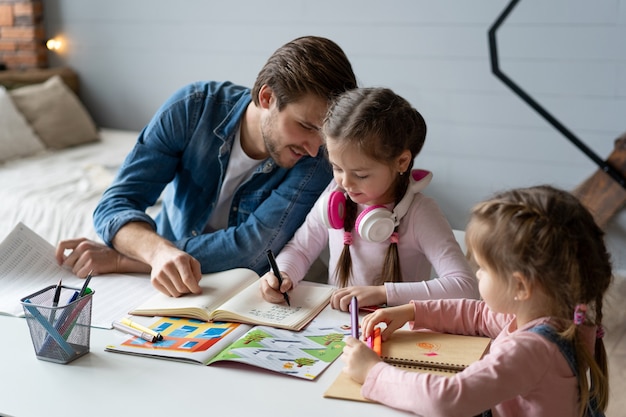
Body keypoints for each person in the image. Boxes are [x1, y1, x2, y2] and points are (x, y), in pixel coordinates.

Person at [55, 36, 358, 297]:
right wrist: (158, 253)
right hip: (167, 280)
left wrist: (127, 258)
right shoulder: (192, 108)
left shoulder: (319, 159)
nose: (314, 147)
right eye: (305, 126)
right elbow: (116, 204)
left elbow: (252, 251)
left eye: (324, 133)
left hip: (252, 290)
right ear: (267, 97)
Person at [342, 185, 612, 417]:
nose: (477, 274)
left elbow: (446, 399)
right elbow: (479, 315)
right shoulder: (547, 312)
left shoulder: (531, 350)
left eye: (483, 268)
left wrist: (373, 371)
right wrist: (412, 312)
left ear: (520, 286)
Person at [260, 87, 478, 311]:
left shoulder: (420, 213)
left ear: (401, 162)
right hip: (337, 328)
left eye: (361, 174)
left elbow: (465, 286)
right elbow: (300, 249)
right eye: (337, 168)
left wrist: (382, 293)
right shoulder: (336, 195)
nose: (345, 182)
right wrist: (283, 273)